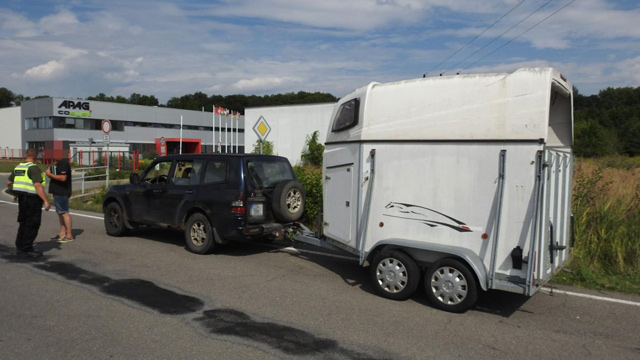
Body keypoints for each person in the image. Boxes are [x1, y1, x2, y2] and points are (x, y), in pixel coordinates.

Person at [7, 149, 51, 258]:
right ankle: (27, 248)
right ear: (36, 158)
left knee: (23, 222)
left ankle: (20, 246)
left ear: (26, 155)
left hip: (22, 199)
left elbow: (9, 182)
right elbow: (37, 186)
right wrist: (45, 200)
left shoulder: (18, 167)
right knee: (33, 223)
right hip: (33, 199)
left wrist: (17, 192)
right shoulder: (33, 168)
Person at [45, 154, 74, 243]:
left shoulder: (63, 164)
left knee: (64, 212)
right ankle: (62, 234)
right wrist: (50, 174)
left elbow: (62, 178)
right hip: (57, 192)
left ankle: (69, 235)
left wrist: (49, 174)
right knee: (60, 213)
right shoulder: (57, 164)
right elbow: (54, 175)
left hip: (62, 192)